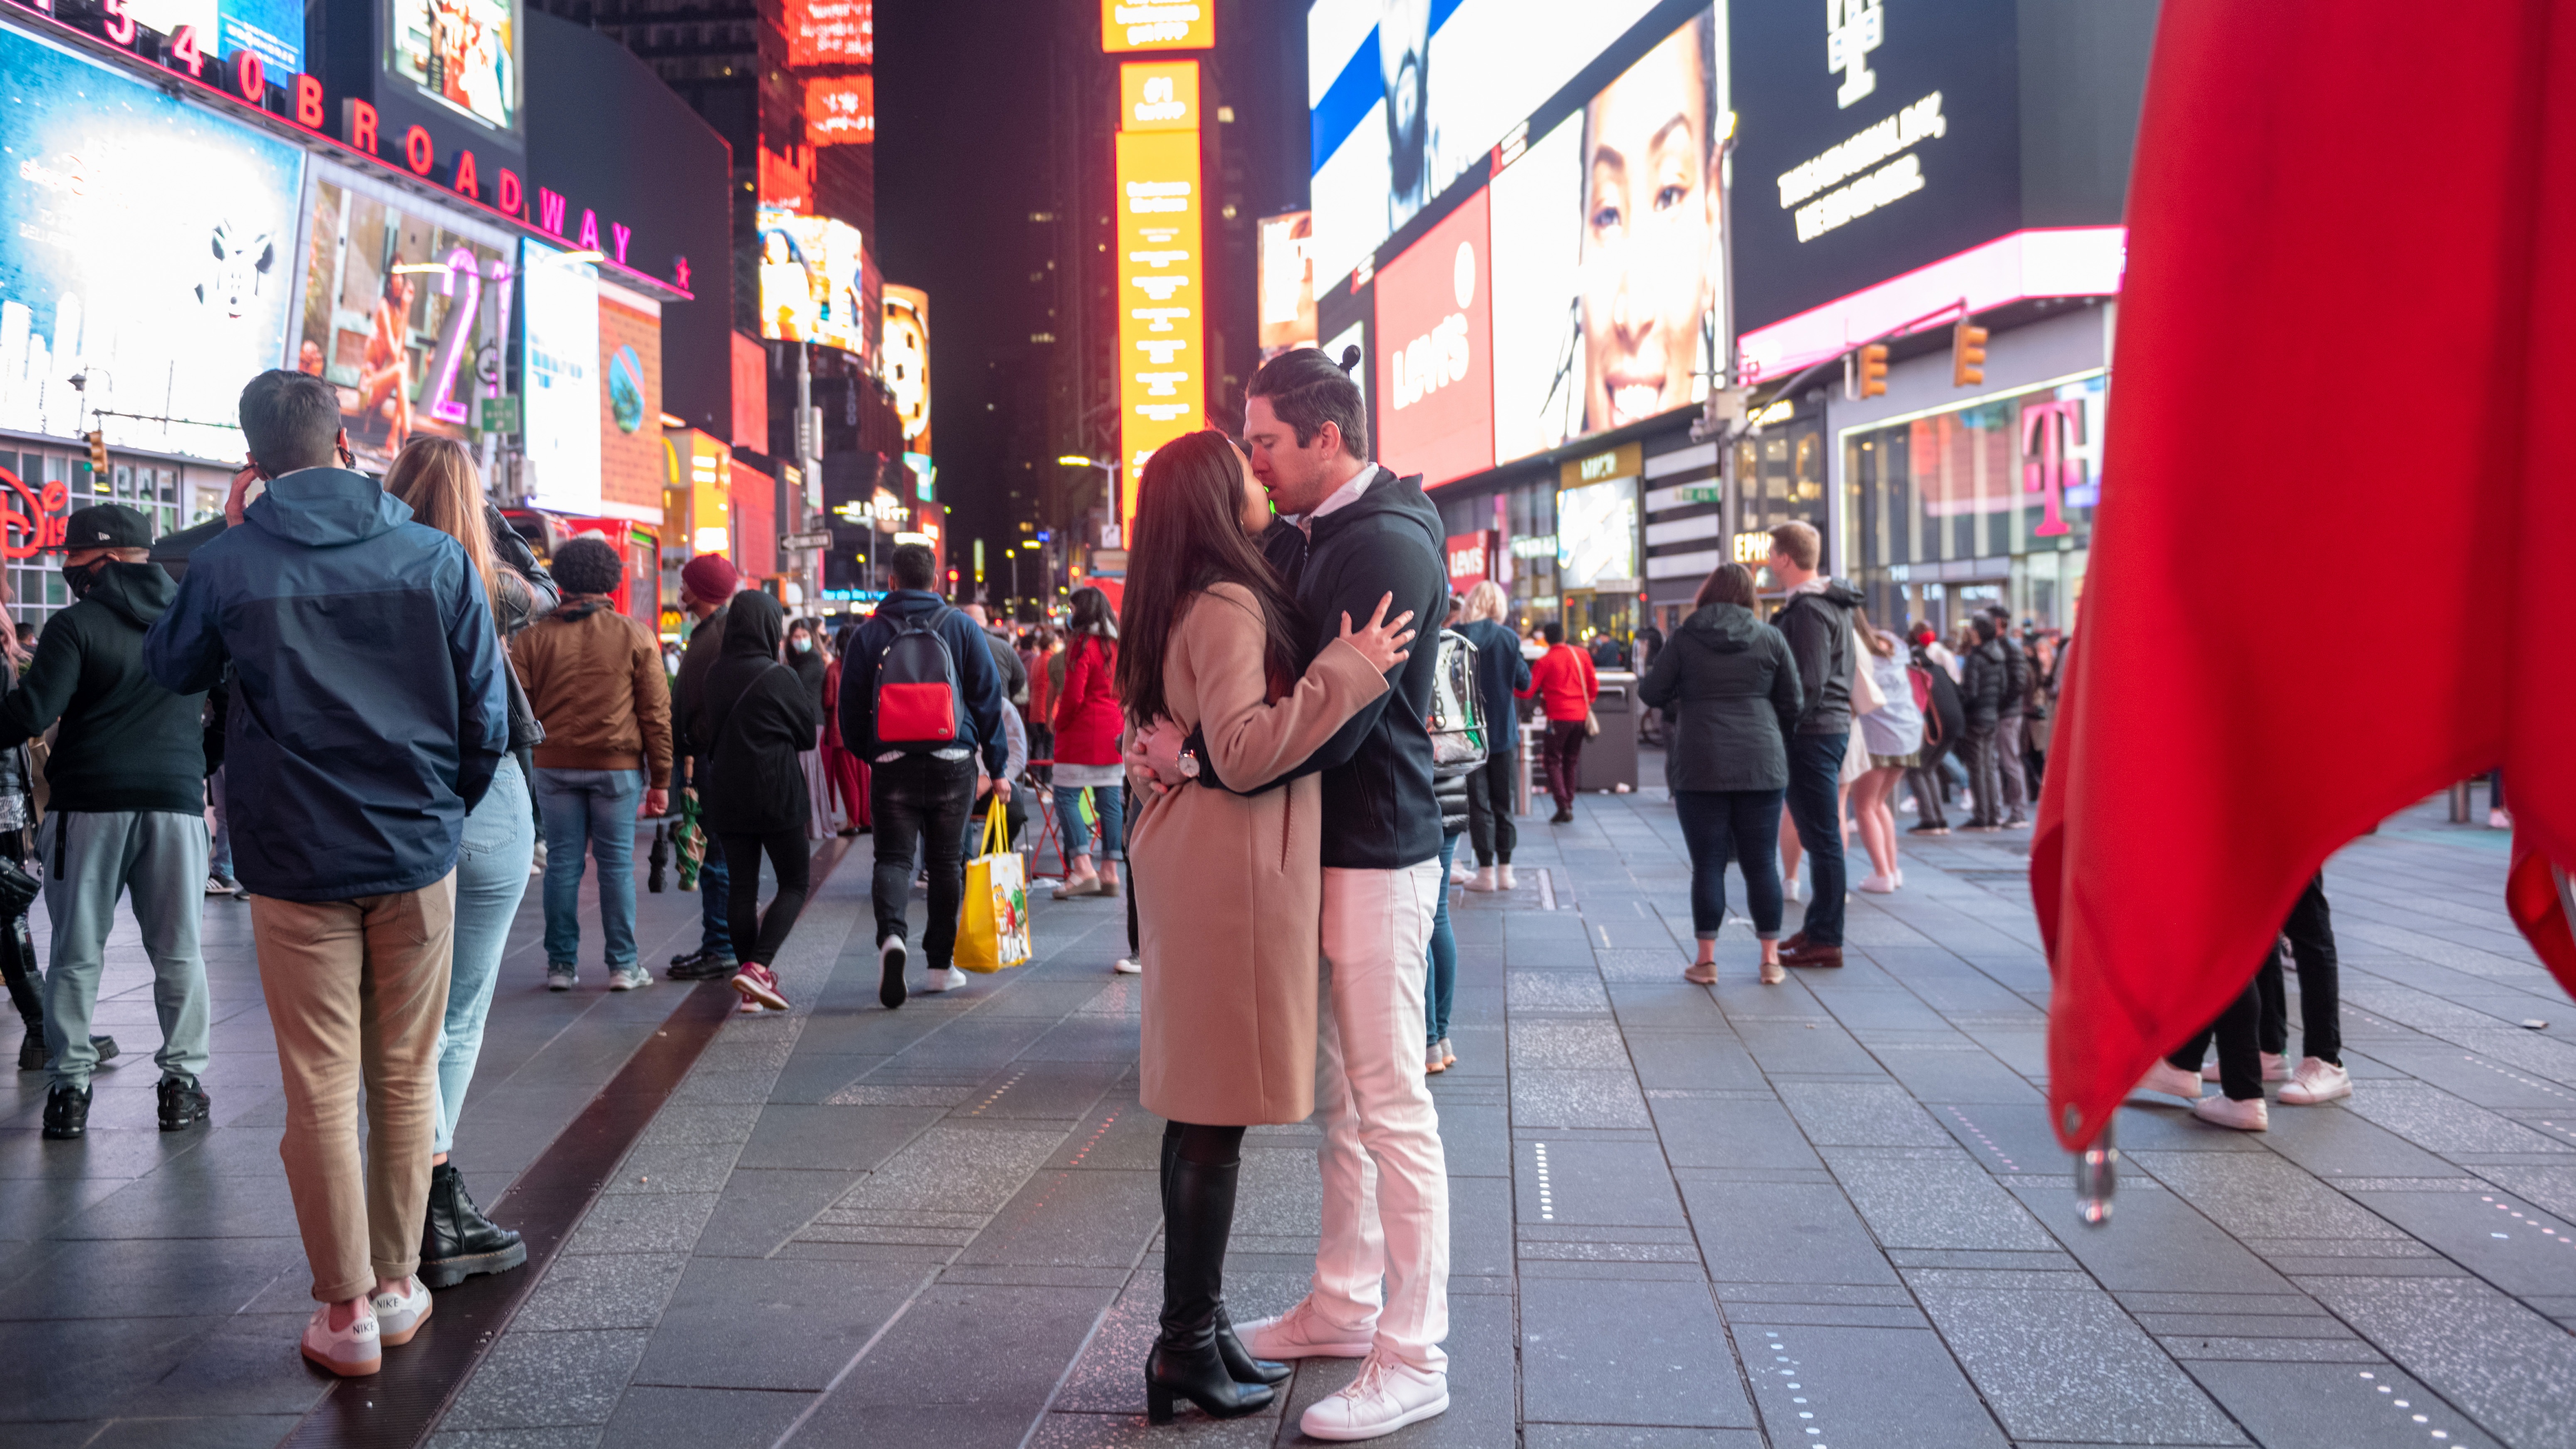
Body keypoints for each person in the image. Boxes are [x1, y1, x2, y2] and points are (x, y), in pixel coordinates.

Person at [146, 368, 508, 1376]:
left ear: (254, 458)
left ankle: (345, 1311)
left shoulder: (232, 560)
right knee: (403, 1073)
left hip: (293, 858)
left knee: (319, 1086)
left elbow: (169, 669)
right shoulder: (435, 555)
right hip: (413, 853)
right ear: (346, 442)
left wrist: (229, 534)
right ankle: (399, 1287)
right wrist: (437, 813)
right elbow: (485, 720)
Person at [1135, 347, 1456, 1439]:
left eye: (1266, 440)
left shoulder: (1385, 544)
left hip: (1378, 850)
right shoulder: (1299, 536)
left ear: (1327, 436)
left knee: (1391, 1104)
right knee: (1345, 1111)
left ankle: (1413, 1353)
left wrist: (1195, 762)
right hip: (1321, 852)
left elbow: (1326, 727)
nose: (1256, 464)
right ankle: (1342, 1303)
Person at [384, 438, 558, 1288]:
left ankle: (412, 1200)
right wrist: (489, 520)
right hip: (487, 803)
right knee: (458, 1015)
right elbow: (549, 589)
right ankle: (433, 1198)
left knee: (394, 1018)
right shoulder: (491, 585)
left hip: (387, 801)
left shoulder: (371, 568)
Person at [0, 504, 213, 1139]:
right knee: (179, 952)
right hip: (176, 807)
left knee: (75, 954)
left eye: (74, 561)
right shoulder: (193, 624)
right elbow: (229, 706)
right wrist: (189, 766)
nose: (70, 573)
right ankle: (181, 1086)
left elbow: (32, 712)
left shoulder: (76, 625)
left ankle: (69, 1092)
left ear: (106, 560)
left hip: (88, 805)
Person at [839, 543, 1008, 1009]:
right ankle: (939, 967)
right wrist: (998, 766)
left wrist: (873, 752)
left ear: (891, 581)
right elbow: (988, 700)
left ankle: (892, 939)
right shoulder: (960, 627)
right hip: (954, 760)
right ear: (936, 582)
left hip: (892, 762)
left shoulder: (868, 635)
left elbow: (849, 711)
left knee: (892, 859)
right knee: (946, 862)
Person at [512, 535, 672, 993]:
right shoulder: (635, 635)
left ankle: (561, 966)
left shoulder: (533, 637)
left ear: (561, 577)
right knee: (616, 866)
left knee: (562, 864)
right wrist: (661, 778)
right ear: (610, 580)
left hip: (554, 765)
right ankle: (623, 965)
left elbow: (519, 708)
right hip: (617, 768)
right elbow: (656, 715)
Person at [1639, 562, 1801, 986]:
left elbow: (1652, 691)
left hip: (1701, 760)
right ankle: (1770, 961)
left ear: (1707, 593)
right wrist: (1769, 731)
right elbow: (1794, 702)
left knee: (1708, 863)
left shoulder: (1686, 638)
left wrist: (1686, 703)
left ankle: (1706, 961)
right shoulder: (1770, 637)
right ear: (1750, 597)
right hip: (1762, 762)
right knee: (1762, 862)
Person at [689, 590, 820, 1014]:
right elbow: (806, 736)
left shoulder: (714, 674)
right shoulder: (780, 676)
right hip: (778, 791)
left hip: (729, 792)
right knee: (795, 882)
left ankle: (750, 994)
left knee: (742, 889)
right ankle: (759, 967)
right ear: (771, 627)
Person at [1764, 521, 1862, 970]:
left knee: (1822, 838)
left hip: (1813, 733)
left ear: (1786, 558)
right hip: (1829, 728)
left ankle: (1826, 937)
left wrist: (1783, 723)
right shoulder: (1832, 604)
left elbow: (1808, 681)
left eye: (1771, 553)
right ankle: (1820, 927)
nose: (1767, 561)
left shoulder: (1807, 610)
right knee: (1821, 835)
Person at [667, 555, 739, 980]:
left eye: (687, 582)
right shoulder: (709, 632)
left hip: (714, 759)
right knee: (712, 855)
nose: (681, 587)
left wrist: (695, 736)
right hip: (708, 757)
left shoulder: (718, 637)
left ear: (704, 591)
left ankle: (721, 947)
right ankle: (717, 943)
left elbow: (711, 702)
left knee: (715, 858)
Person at [1454, 581, 1528, 893]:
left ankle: (1484, 872)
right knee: (1503, 802)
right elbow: (1524, 682)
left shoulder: (1457, 635)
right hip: (1503, 734)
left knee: (1478, 804)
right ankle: (1505, 872)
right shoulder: (1508, 638)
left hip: (1468, 734)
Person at [1051, 587, 1125, 899]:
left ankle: (1082, 867)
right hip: (1113, 730)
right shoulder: (1117, 645)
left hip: (1081, 732)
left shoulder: (1081, 644)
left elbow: (1073, 695)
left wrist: (1060, 722)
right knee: (1109, 800)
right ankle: (1110, 872)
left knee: (1065, 796)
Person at [1850, 611, 1923, 894]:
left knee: (1865, 805)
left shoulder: (1857, 651)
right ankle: (1891, 870)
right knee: (1879, 803)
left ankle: (1882, 873)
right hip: (1908, 731)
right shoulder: (1895, 644)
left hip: (1879, 734)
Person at [1520, 620, 1598, 824]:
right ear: (1564, 636)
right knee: (1571, 761)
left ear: (1546, 639)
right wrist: (1584, 704)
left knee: (1552, 760)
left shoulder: (1545, 661)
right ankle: (1568, 804)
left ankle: (1563, 805)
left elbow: (1528, 691)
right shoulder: (1581, 655)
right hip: (1580, 717)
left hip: (1557, 719)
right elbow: (1593, 686)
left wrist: (1509, 688)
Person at [1905, 624, 1965, 837]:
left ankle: (1931, 820)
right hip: (1955, 724)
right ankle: (1938, 819)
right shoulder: (1939, 669)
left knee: (1916, 769)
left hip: (1936, 724)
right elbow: (1959, 692)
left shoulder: (1916, 673)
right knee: (1928, 768)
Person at [1957, 615, 2010, 831]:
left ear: (1979, 632)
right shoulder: (1998, 656)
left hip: (1976, 717)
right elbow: (2005, 688)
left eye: (1973, 628)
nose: (1970, 631)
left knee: (1977, 768)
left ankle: (1982, 815)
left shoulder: (1976, 658)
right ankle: (1992, 815)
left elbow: (1970, 692)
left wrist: (1962, 703)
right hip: (1992, 716)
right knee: (1989, 766)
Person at [1983, 604, 2032, 827]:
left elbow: (2018, 682)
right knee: (2001, 761)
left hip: (2008, 713)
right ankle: (2004, 809)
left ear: (1998, 623)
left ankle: (2019, 812)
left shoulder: (2010, 649)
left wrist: (2000, 704)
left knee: (2010, 761)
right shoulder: (1997, 646)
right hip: (2002, 711)